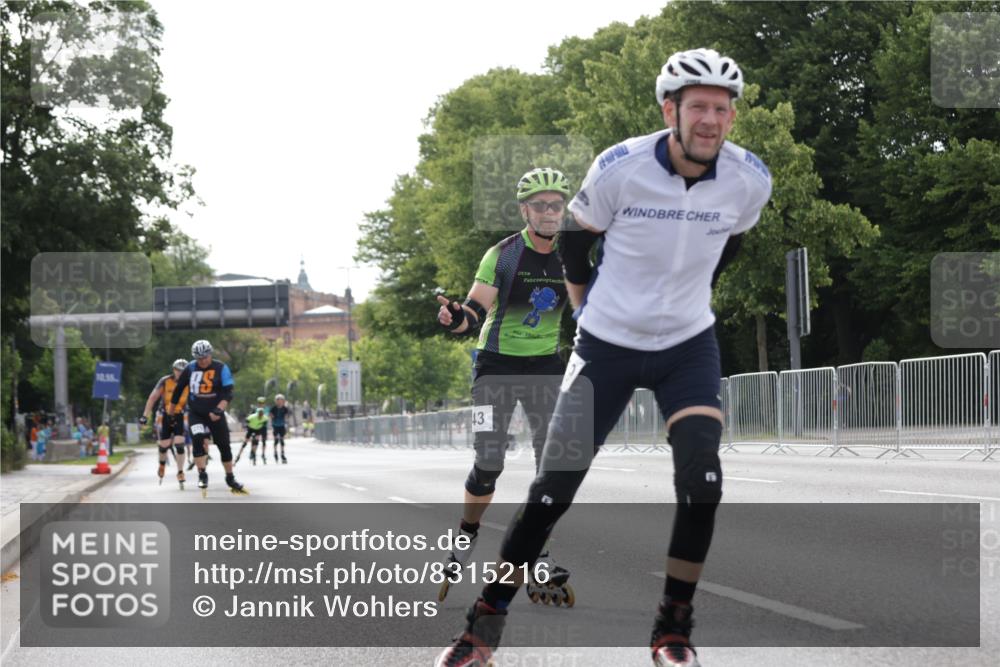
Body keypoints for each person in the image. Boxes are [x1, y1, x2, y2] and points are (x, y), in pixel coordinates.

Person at [436, 49, 772, 667]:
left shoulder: (750, 178)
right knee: (550, 491)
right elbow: (575, 240)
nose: (711, 120)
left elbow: (731, 246)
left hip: (687, 346)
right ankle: (483, 625)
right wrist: (587, 304)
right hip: (606, 346)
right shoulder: (620, 167)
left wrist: (690, 296)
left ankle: (673, 629)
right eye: (698, 106)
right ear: (670, 109)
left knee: (702, 480)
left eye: (722, 108)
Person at [434, 167, 573, 604]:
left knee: (550, 465)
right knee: (489, 461)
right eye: (540, 205)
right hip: (494, 367)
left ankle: (538, 555)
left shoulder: (575, 252)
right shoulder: (504, 255)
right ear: (524, 210)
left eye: (556, 204)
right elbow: (476, 308)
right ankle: (467, 533)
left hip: (546, 366)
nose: (550, 213)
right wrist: (458, 318)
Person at [166, 339, 248, 496]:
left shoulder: (221, 368)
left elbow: (228, 392)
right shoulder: (190, 368)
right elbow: (177, 392)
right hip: (196, 412)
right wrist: (171, 414)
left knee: (224, 445)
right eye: (199, 358)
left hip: (215, 412)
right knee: (197, 438)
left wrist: (219, 410)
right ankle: (202, 474)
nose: (202, 361)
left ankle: (230, 478)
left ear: (210, 354)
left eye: (205, 357)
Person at [140, 359, 190, 489]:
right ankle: (162, 464)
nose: (180, 373)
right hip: (164, 414)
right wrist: (145, 415)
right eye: (178, 370)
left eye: (183, 371)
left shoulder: (190, 382)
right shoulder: (165, 381)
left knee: (179, 444)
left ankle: (180, 472)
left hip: (181, 413)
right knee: (164, 445)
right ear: (174, 370)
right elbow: (153, 397)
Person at [238, 397, 270, 465]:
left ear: (264, 403)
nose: (261, 404)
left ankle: (263, 454)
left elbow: (267, 417)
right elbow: (250, 417)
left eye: (262, 403)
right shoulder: (255, 409)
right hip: (254, 426)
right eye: (259, 403)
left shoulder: (266, 409)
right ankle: (253, 453)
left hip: (262, 426)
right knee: (254, 440)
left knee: (264, 440)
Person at [269, 393, 290, 463]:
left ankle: (282, 454)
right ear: (276, 401)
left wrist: (286, 419)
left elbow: (287, 416)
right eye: (278, 400)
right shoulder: (273, 408)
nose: (279, 401)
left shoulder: (285, 408)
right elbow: (270, 414)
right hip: (275, 425)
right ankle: (275, 452)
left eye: (281, 400)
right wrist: (272, 417)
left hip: (282, 426)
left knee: (282, 440)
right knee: (276, 440)